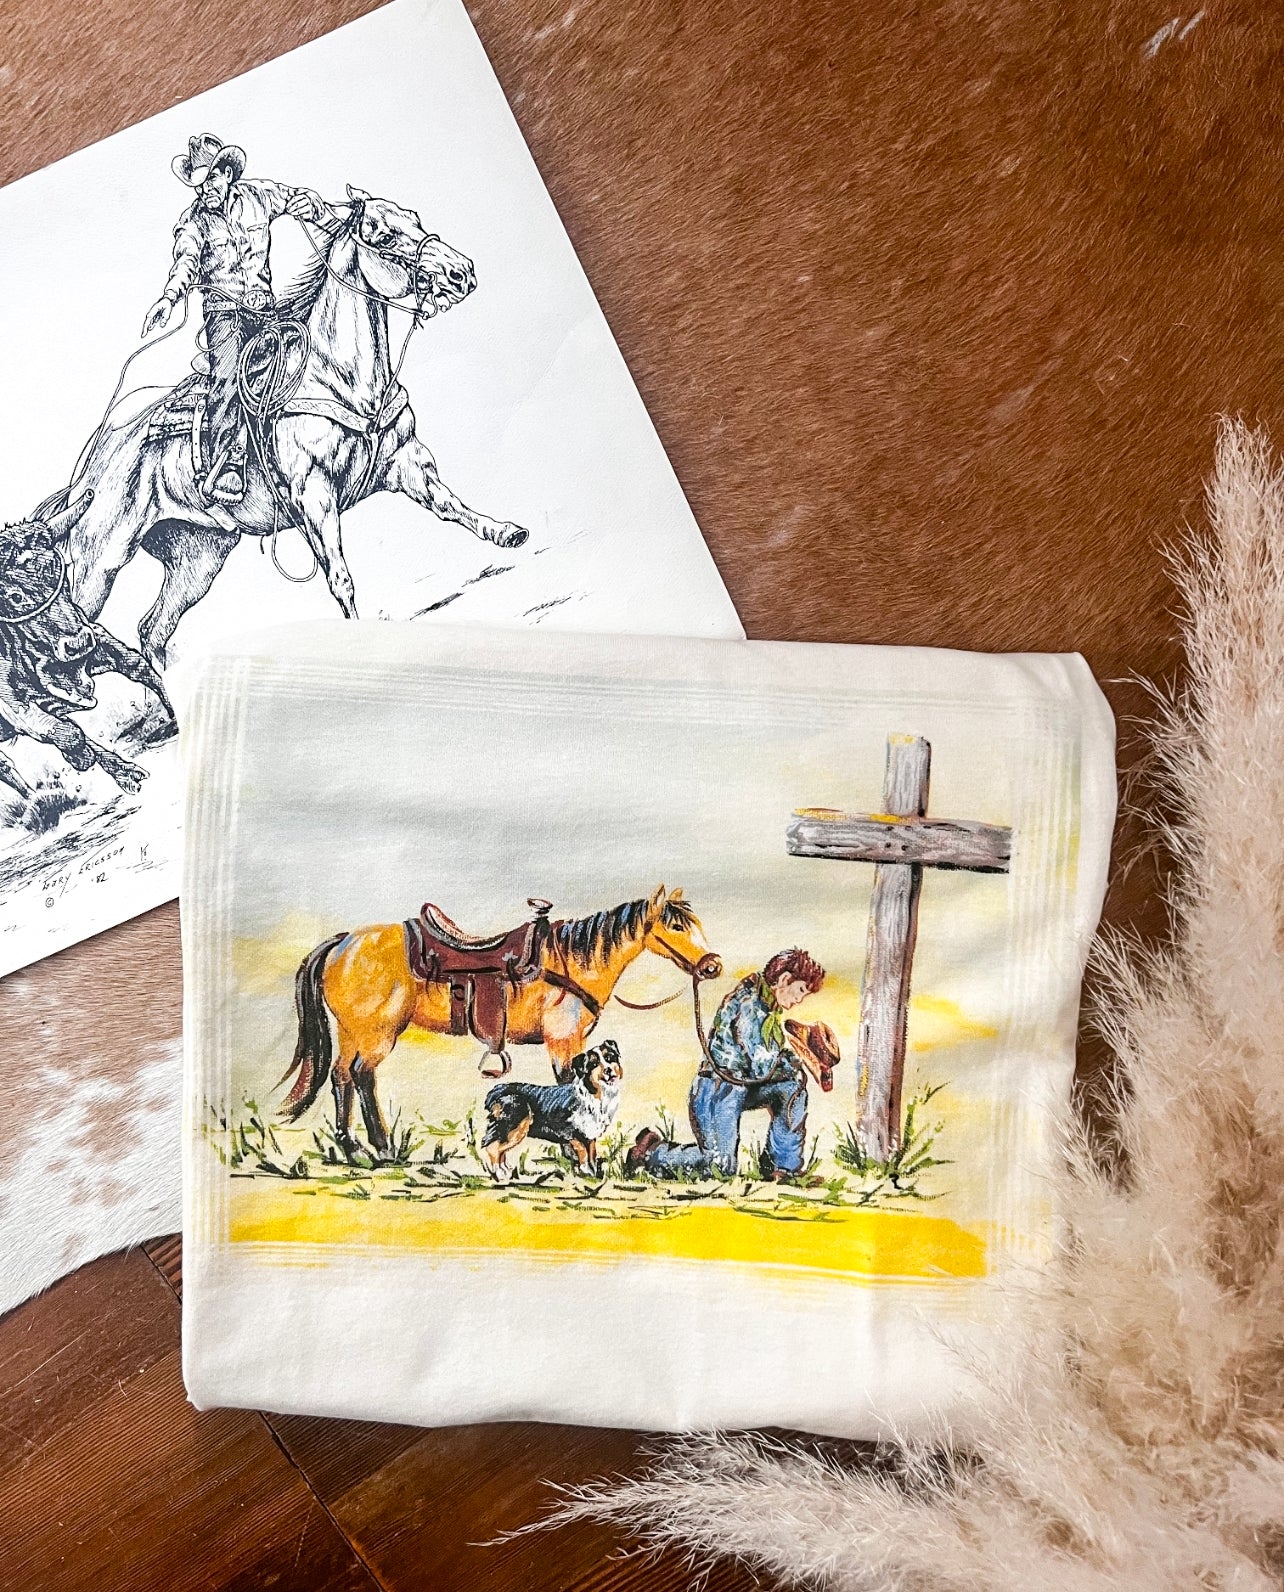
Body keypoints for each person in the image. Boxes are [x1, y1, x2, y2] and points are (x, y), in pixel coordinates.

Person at [141, 134, 327, 504]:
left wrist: (312, 203)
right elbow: (185, 260)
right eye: (198, 183)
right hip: (223, 314)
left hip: (265, 309)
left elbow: (295, 198)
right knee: (227, 378)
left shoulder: (259, 196)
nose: (204, 189)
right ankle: (228, 464)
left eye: (210, 178)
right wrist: (170, 296)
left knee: (303, 357)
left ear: (227, 174)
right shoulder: (193, 222)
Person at [626, 947, 828, 1182]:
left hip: (743, 1085)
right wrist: (797, 1059)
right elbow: (762, 1066)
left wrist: (794, 1063)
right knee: (719, 1167)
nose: (799, 999)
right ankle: (652, 1152)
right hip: (717, 1089)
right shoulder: (749, 1004)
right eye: (801, 990)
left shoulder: (767, 1004)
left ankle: (782, 1167)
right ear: (784, 979)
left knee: (792, 1087)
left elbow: (765, 1065)